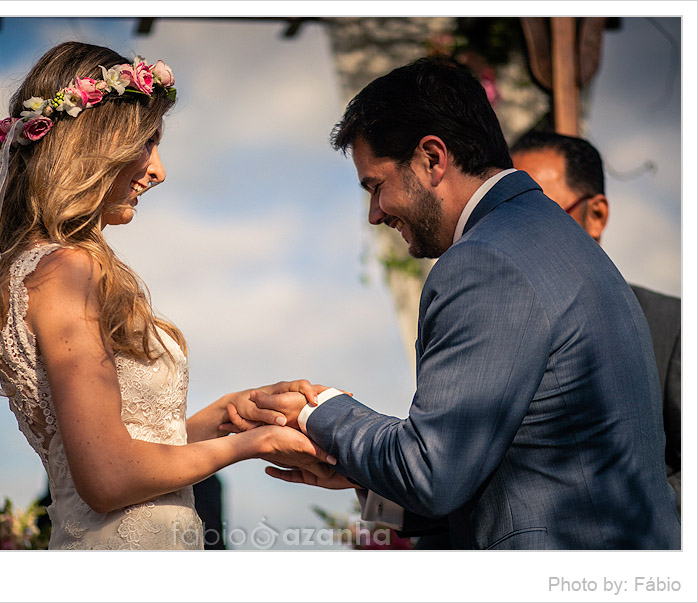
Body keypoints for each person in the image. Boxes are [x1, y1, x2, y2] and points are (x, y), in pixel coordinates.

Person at [231, 56, 680, 549]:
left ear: (432, 158)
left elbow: (430, 469)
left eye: (376, 186)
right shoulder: (562, 245)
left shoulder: (486, 261)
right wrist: (366, 477)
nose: (375, 214)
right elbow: (521, 472)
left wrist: (321, 412)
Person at [0, 41, 333, 550]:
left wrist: (231, 414)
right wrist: (251, 445)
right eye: (146, 143)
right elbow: (108, 481)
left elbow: (126, 454)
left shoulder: (41, 268)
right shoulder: (65, 271)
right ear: (95, 144)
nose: (158, 170)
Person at [510, 131, 681, 514]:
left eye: (539, 216)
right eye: (504, 221)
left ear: (597, 215)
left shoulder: (671, 327)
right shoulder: (497, 336)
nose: (515, 238)